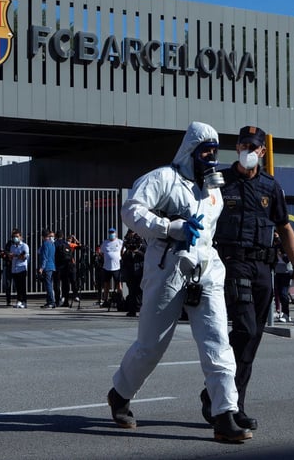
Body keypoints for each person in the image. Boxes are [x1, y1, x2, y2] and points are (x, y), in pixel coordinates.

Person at [108, 121, 251, 442]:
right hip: (168, 270)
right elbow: (131, 211)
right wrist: (169, 227)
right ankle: (120, 394)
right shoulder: (163, 179)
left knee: (217, 341)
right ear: (191, 150)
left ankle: (225, 412)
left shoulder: (213, 189)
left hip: (206, 271)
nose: (211, 157)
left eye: (215, 151)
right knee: (150, 346)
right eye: (205, 151)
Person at [205, 125, 294, 432]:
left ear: (262, 151)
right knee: (245, 329)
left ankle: (231, 403)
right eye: (243, 145)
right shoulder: (219, 181)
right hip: (232, 263)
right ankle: (222, 400)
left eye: (253, 146)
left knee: (253, 339)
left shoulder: (270, 187)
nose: (247, 150)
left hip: (265, 268)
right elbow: (201, 216)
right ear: (236, 148)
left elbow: (285, 227)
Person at [121, 230, 145, 317]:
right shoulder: (127, 248)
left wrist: (138, 252)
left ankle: (142, 308)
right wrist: (126, 247)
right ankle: (132, 310)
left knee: (141, 292)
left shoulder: (142, 246)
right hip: (131, 273)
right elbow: (123, 257)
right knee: (132, 292)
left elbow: (146, 256)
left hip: (141, 273)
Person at [99, 227, 123, 308]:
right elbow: (101, 253)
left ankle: (120, 299)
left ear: (115, 233)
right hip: (107, 267)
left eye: (113, 232)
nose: (111, 234)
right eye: (110, 232)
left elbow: (123, 251)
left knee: (118, 284)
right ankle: (105, 300)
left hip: (117, 267)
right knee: (106, 284)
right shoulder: (105, 242)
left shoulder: (120, 242)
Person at [8, 229, 30, 308]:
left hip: (22, 268)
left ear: (20, 237)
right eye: (14, 237)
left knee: (22, 286)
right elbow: (11, 258)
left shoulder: (24, 246)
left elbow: (25, 257)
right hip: (14, 268)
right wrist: (10, 256)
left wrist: (15, 255)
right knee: (17, 286)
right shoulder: (12, 246)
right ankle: (19, 300)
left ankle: (24, 301)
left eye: (17, 236)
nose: (15, 238)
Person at [39, 228, 57, 309]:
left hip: (47, 266)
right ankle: (49, 301)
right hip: (52, 266)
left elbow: (45, 256)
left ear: (42, 236)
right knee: (49, 284)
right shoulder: (52, 244)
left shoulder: (45, 243)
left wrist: (42, 267)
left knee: (48, 285)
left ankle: (51, 302)